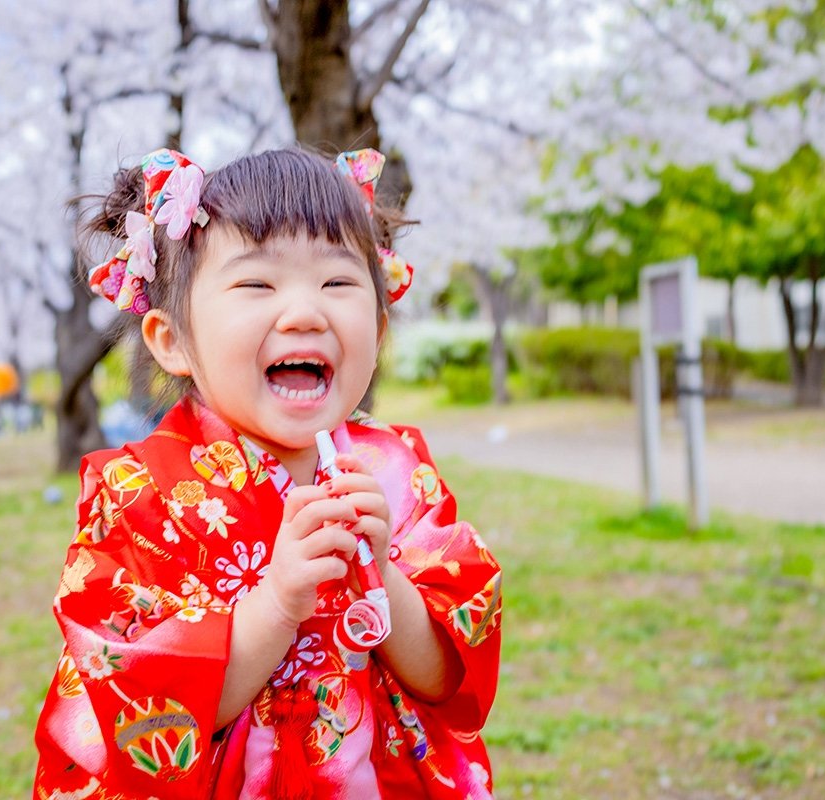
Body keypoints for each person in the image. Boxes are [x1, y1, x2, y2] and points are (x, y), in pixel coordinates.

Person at [33, 148, 503, 799]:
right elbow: (141, 718)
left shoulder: (396, 471)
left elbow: (448, 676)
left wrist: (384, 578)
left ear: (378, 326)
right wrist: (278, 603)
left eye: (337, 283)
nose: (306, 312)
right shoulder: (138, 496)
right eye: (257, 285)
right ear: (172, 340)